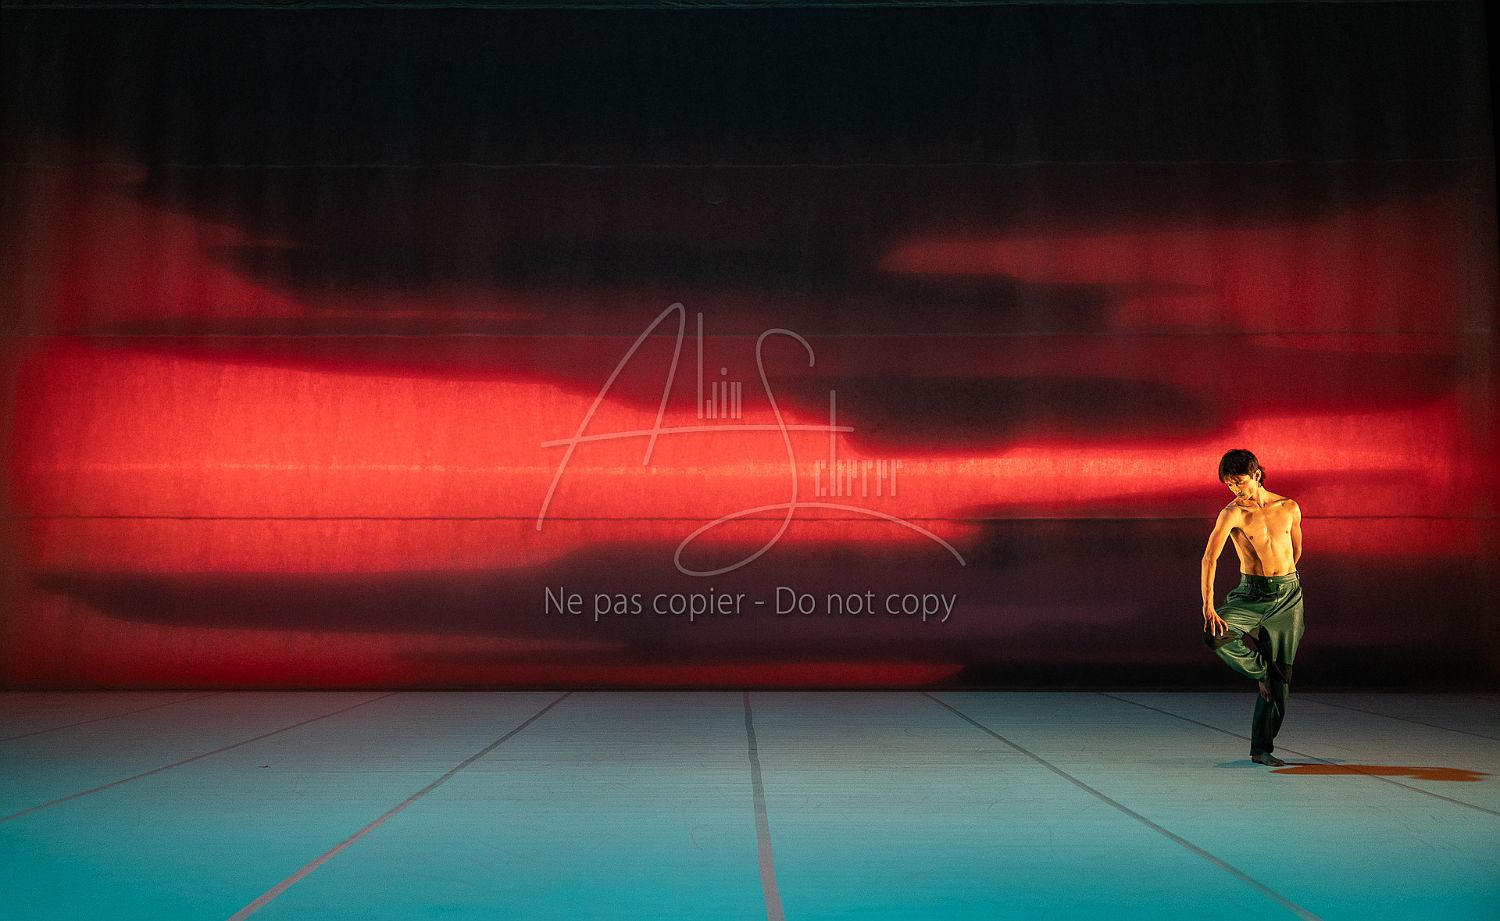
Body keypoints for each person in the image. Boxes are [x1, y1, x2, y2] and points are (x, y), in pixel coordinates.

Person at [1200, 448, 1304, 767]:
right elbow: (1210, 558)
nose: (1235, 489)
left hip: (1287, 596)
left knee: (1281, 683)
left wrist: (1281, 581)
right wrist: (1208, 605)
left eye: (1240, 482)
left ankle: (1261, 748)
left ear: (1256, 475)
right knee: (1216, 635)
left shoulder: (1289, 507)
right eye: (1230, 484)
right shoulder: (1232, 513)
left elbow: (1296, 551)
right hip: (1251, 594)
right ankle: (1262, 669)